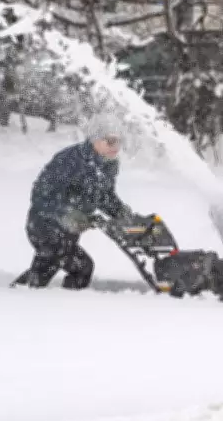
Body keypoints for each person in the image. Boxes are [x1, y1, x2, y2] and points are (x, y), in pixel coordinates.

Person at [15, 114, 136, 290]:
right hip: (45, 227)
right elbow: (41, 194)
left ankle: (30, 299)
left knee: (54, 268)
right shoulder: (70, 160)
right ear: (95, 139)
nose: (116, 147)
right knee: (75, 266)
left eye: (119, 142)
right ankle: (29, 303)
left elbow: (104, 196)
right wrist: (68, 214)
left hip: (68, 232)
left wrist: (120, 212)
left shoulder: (108, 164)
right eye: (110, 141)